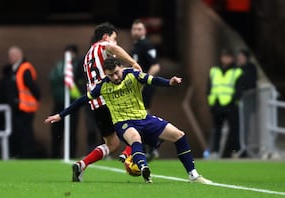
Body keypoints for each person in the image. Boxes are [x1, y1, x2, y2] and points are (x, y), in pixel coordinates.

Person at [45, 57, 212, 184]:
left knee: (179, 135)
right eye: (111, 75)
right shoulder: (102, 86)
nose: (115, 77)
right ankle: (143, 166)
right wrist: (61, 115)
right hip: (123, 123)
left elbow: (151, 80)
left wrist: (170, 82)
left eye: (117, 72)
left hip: (144, 118)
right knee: (135, 138)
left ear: (121, 67)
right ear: (106, 75)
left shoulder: (132, 74)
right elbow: (82, 100)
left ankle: (193, 175)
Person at [47, 22, 142, 172]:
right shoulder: (103, 46)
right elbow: (113, 48)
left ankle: (82, 164)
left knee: (112, 144)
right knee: (140, 124)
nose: (115, 42)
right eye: (114, 38)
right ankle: (128, 158)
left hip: (96, 105)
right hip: (111, 100)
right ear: (105, 37)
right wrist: (133, 63)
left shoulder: (87, 57)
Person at [119, 19, 161, 162]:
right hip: (136, 87)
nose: (136, 31)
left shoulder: (146, 45)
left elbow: (155, 66)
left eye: (139, 29)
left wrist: (144, 82)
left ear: (144, 31)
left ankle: (150, 148)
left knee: (143, 116)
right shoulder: (135, 46)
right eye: (134, 29)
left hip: (145, 86)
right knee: (139, 116)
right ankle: (147, 148)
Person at [3, 46, 40, 158]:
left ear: (19, 55)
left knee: (25, 133)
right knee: (19, 132)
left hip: (25, 107)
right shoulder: (14, 69)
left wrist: (34, 99)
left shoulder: (24, 68)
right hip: (18, 107)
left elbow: (33, 88)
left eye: (12, 55)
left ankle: (27, 155)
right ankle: (21, 154)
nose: (10, 58)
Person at [207, 49, 243, 158]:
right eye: (224, 57)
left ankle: (234, 150)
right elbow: (209, 87)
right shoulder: (214, 70)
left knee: (234, 128)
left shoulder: (237, 71)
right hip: (217, 103)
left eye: (228, 57)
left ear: (232, 58)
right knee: (217, 128)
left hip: (230, 104)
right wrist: (210, 101)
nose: (225, 59)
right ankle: (215, 151)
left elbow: (239, 88)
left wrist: (234, 99)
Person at [49, 44, 83, 158]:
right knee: (56, 131)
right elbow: (52, 78)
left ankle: (71, 155)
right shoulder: (59, 65)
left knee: (71, 132)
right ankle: (55, 155)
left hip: (73, 104)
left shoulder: (79, 65)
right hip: (59, 103)